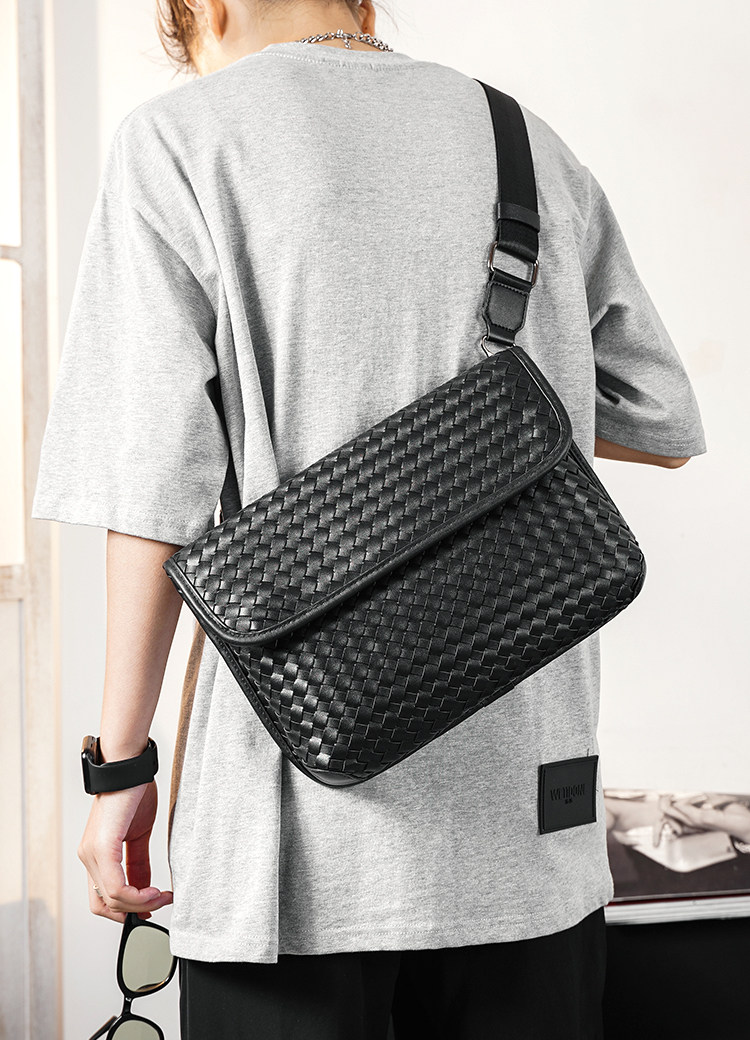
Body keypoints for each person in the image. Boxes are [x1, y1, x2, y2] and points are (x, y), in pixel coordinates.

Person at [31, 1, 708, 1037]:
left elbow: (150, 484)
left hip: (293, 846)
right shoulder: (526, 141)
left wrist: (121, 768)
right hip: (531, 829)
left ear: (202, 12)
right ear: (363, 5)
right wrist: (500, 421)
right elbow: (661, 418)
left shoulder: (180, 139)